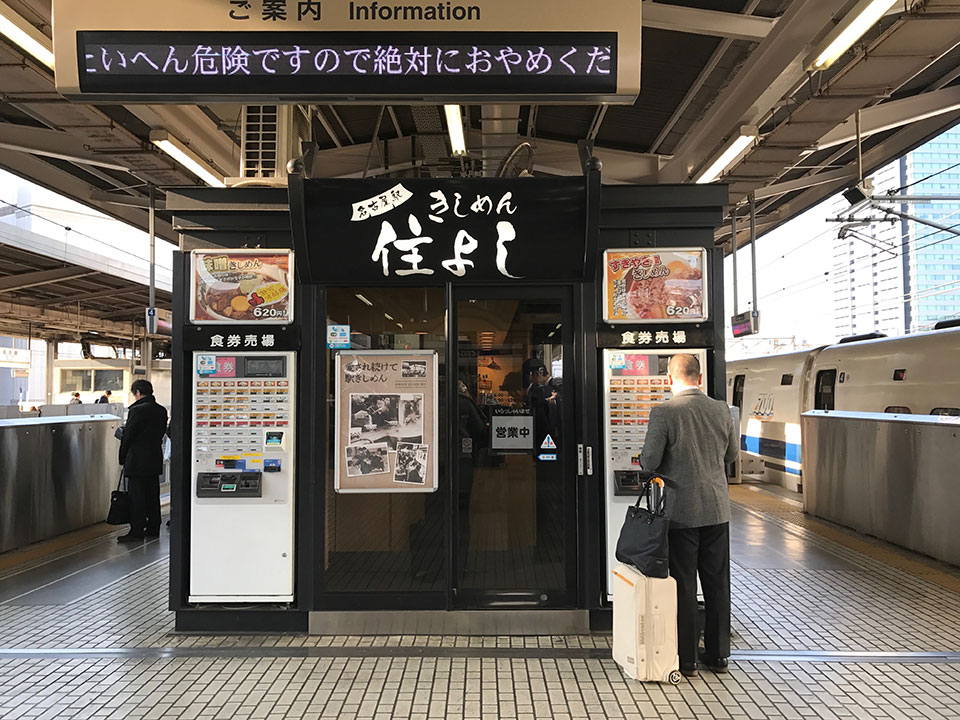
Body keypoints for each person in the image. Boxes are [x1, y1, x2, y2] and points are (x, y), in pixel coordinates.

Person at [640, 354, 739, 678]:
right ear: (699, 376)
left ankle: (686, 659)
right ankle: (719, 654)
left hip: (682, 513)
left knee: (683, 584)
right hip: (716, 510)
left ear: (670, 377)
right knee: (716, 583)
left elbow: (650, 461)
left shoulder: (665, 413)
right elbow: (731, 455)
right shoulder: (721, 410)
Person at [118, 379, 168, 543]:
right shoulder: (161, 410)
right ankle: (154, 528)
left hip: (137, 460)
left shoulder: (137, 410)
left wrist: (122, 456)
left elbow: (128, 436)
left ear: (138, 392)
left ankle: (137, 531)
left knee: (137, 496)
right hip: (154, 457)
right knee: (153, 495)